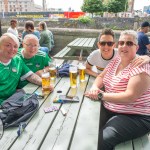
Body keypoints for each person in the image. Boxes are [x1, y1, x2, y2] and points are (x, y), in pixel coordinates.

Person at [85, 30, 150, 150]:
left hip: (135, 116)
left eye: (129, 43)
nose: (124, 46)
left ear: (137, 47)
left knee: (101, 141)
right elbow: (101, 76)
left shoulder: (141, 66)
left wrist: (100, 95)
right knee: (85, 127)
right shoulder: (117, 60)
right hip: (111, 109)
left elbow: (130, 96)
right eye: (121, 43)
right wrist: (94, 87)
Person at [0, 33, 52, 104]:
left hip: (12, 100)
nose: (12, 49)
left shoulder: (17, 60)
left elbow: (30, 76)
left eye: (15, 46)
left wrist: (44, 84)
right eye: (8, 45)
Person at [86, 28, 150, 77]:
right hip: (100, 82)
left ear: (114, 45)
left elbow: (134, 56)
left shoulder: (120, 53)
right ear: (98, 45)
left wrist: (147, 58)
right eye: (102, 43)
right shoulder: (94, 55)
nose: (106, 46)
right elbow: (86, 68)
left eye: (109, 43)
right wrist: (98, 76)